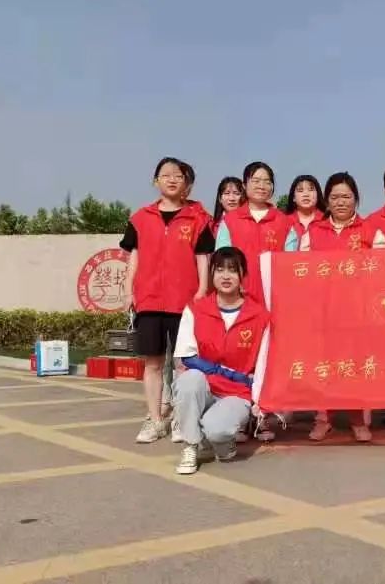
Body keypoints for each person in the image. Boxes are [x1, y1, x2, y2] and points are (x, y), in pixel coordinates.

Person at [120, 157, 214, 443]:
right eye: (166, 175)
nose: (172, 179)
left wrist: (201, 291)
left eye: (178, 176)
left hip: (184, 301)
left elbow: (203, 258)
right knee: (153, 364)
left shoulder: (197, 219)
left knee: (184, 364)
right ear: (156, 181)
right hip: (149, 301)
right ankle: (155, 419)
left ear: (186, 183)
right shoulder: (140, 218)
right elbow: (133, 257)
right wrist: (129, 290)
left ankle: (181, 419)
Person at [301, 172, 385, 442]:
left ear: (356, 199)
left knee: (354, 364)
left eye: (346, 197)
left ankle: (357, 419)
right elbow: (300, 270)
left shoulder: (370, 230)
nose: (341, 202)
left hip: (357, 311)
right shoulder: (313, 232)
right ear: (327, 200)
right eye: (335, 197)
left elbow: (384, 267)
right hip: (323, 311)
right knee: (323, 364)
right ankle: (322, 419)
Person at [171, 247, 270, 474]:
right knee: (189, 380)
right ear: (212, 274)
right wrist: (228, 373)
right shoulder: (195, 310)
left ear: (243, 275)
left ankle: (222, 441)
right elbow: (187, 357)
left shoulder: (259, 316)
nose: (226, 276)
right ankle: (190, 445)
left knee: (217, 431)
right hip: (205, 387)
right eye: (220, 270)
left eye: (233, 270)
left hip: (237, 393)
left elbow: (266, 364)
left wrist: (261, 398)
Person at [215, 161, 292, 303]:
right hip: (238, 296)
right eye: (256, 181)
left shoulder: (285, 222)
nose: (261, 186)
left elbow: (291, 263)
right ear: (244, 185)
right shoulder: (230, 221)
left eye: (267, 182)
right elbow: (221, 260)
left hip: (275, 297)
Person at [284, 175, 325, 241]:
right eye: (300, 190)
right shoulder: (284, 222)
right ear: (293, 197)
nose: (306, 194)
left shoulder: (327, 220)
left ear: (318, 195)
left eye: (311, 190)